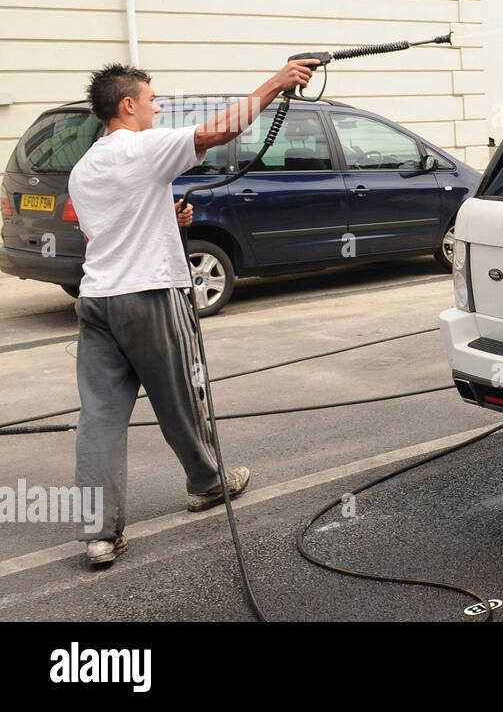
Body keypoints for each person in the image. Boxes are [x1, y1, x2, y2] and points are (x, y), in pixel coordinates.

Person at [69, 58, 317, 565]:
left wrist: (170, 217)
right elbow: (217, 133)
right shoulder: (141, 146)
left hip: (96, 301)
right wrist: (277, 81)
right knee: (181, 397)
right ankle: (207, 482)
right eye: (152, 99)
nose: (158, 107)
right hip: (149, 296)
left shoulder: (84, 167)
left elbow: (104, 233)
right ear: (128, 105)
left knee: (98, 419)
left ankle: (99, 535)